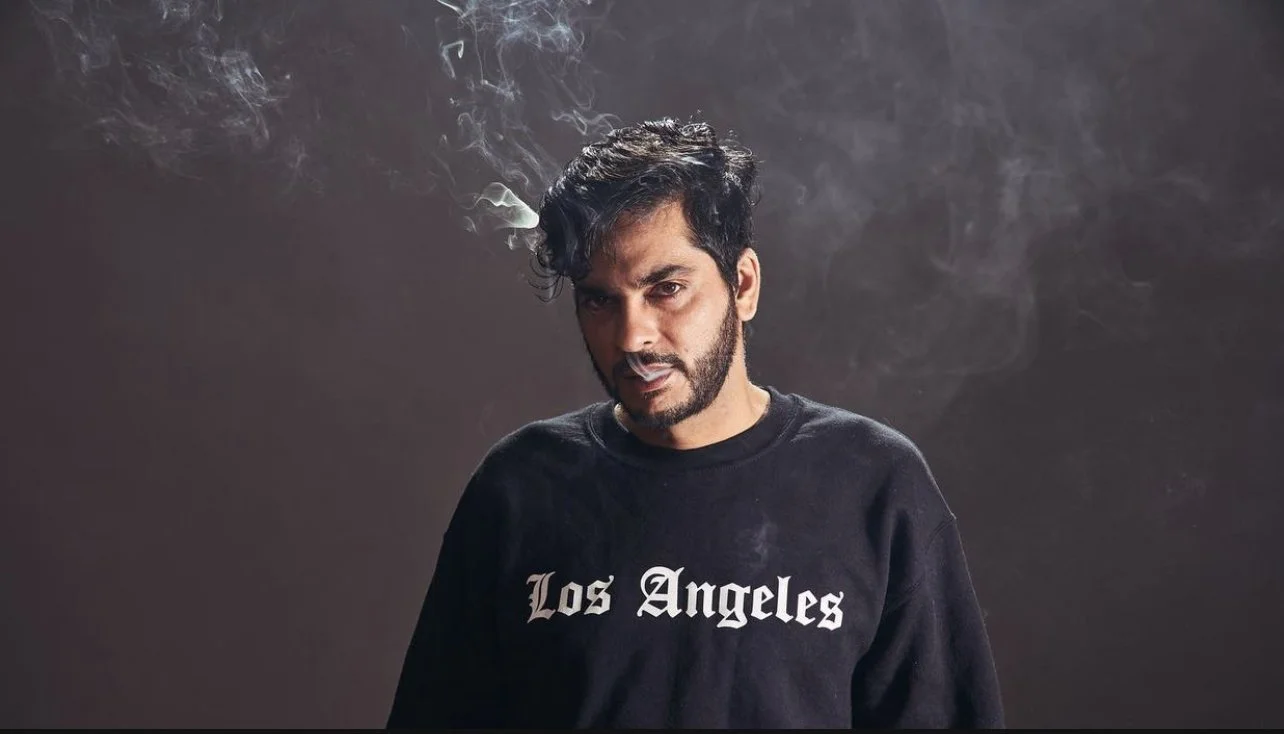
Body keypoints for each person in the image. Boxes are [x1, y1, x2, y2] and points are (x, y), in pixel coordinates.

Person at [385, 118, 1005, 729]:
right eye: (600, 299)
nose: (632, 336)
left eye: (666, 288)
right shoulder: (519, 487)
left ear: (743, 284)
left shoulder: (873, 482)